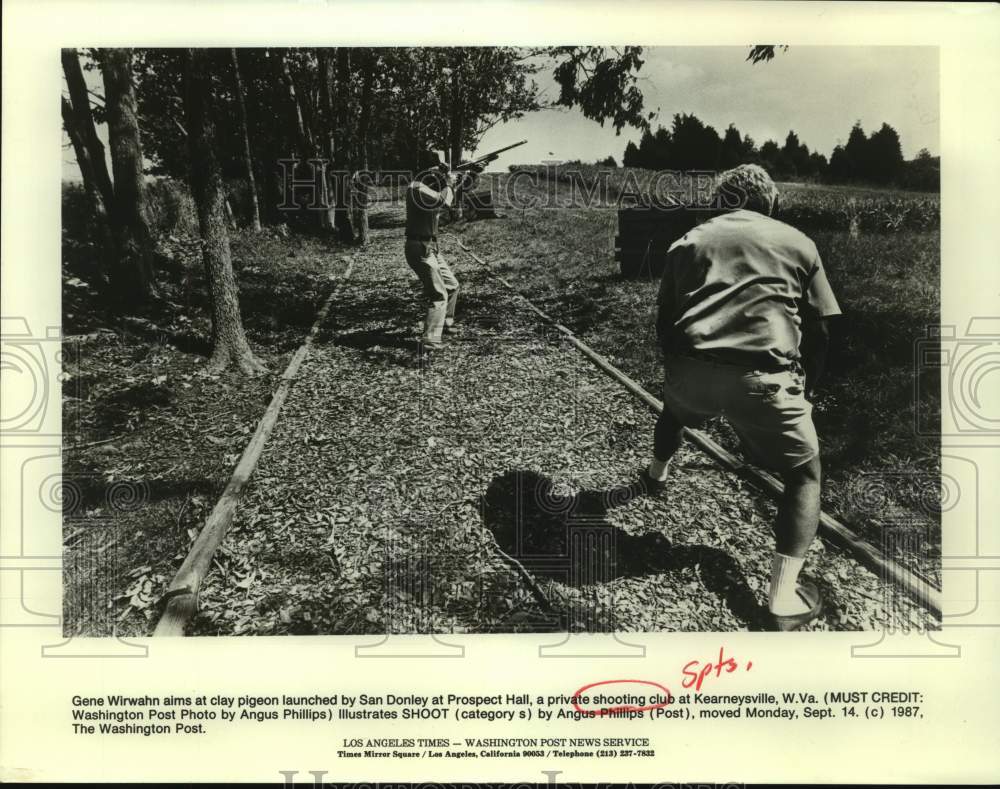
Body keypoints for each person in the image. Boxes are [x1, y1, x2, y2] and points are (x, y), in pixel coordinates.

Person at [644, 164, 842, 631]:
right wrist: (807, 387)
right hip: (763, 380)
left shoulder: (688, 242)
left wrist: (681, 371)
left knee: (673, 413)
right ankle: (782, 599)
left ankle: (656, 474)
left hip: (693, 370)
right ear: (769, 201)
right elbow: (824, 328)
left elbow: (664, 322)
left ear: (720, 201)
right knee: (804, 475)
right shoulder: (798, 242)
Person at [403, 152, 464, 354]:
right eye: (437, 168)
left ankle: (445, 323)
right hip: (420, 247)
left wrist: (455, 184)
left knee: (453, 285)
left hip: (430, 246)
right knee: (438, 294)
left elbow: (445, 206)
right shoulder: (417, 188)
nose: (439, 172)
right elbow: (444, 202)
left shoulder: (425, 189)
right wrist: (449, 182)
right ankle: (430, 341)